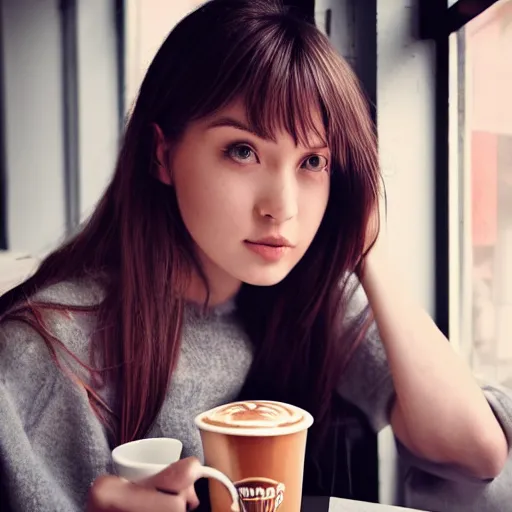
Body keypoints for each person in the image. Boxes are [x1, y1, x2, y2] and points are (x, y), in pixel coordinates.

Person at [0, 1, 510, 511]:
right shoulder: (48, 351)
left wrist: (367, 252)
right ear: (162, 155)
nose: (282, 209)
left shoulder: (314, 297)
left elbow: (475, 454)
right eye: (242, 151)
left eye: (312, 161)